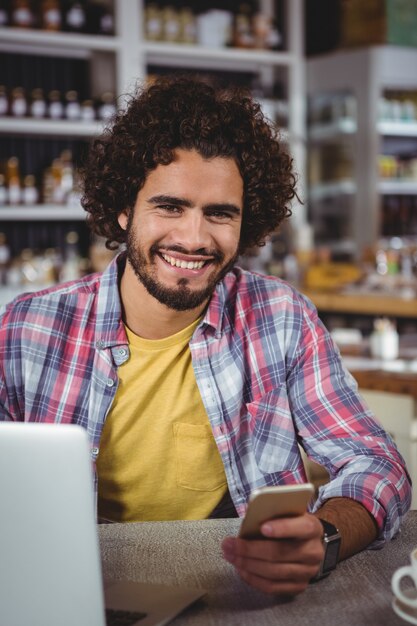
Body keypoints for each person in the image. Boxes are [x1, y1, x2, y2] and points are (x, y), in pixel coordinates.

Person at [0, 75, 411, 597]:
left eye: (219, 214)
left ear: (248, 222)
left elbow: (376, 461)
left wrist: (325, 535)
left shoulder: (281, 318)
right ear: (125, 209)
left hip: (234, 590)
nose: (194, 239)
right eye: (169, 206)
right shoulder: (26, 330)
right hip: (62, 590)